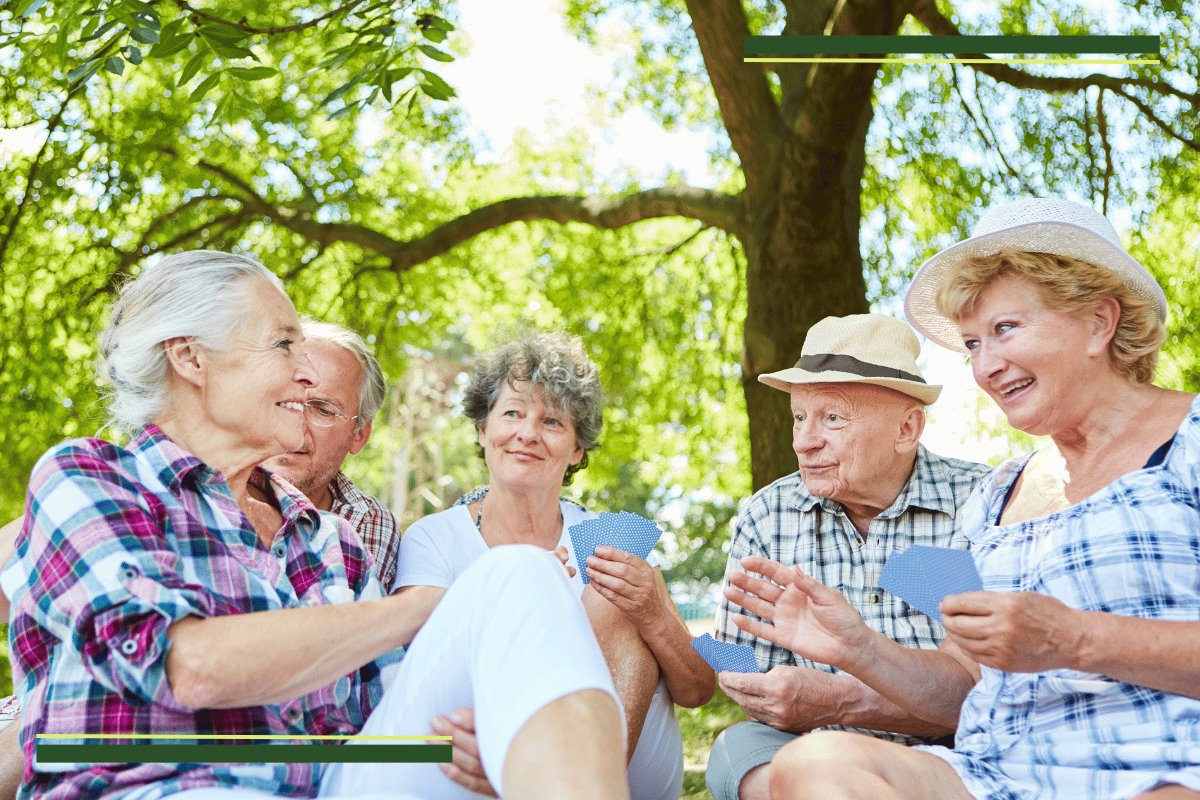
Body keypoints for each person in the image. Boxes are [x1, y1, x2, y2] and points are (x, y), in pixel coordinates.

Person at [3, 250, 631, 800]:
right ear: (189, 356)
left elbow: (378, 729)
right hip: (167, 784)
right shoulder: (91, 479)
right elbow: (187, 668)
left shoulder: (330, 541)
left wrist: (465, 751)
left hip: (332, 785)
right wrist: (428, 608)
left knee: (517, 569)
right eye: (283, 344)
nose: (306, 374)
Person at [732, 197, 1200, 800]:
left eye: (1005, 329)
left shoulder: (1188, 441)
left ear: (1099, 321)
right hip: (997, 777)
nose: (986, 366)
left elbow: (1069, 640)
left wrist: (1076, 639)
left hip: (1165, 770)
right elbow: (964, 684)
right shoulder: (997, 494)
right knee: (816, 763)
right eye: (973, 344)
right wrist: (860, 649)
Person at [0, 322, 401, 800]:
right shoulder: (112, 479)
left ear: (359, 435)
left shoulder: (345, 532)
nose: (301, 407)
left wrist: (443, 753)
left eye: (324, 409)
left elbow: (373, 715)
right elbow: (184, 665)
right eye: (293, 394)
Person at [393, 329, 715, 800]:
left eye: (552, 422)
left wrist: (654, 610)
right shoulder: (433, 539)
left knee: (612, 586)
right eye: (512, 413)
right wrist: (521, 588)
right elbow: (428, 673)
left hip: (623, 782)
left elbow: (699, 690)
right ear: (483, 431)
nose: (527, 433)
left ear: (577, 450)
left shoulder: (609, 537)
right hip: (493, 762)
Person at [706, 314, 991, 800]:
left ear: (906, 427)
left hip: (958, 746)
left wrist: (842, 702)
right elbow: (740, 664)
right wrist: (749, 680)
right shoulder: (768, 513)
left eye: (832, 418)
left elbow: (980, 697)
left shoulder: (982, 503)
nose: (803, 440)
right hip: (808, 745)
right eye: (799, 416)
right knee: (735, 750)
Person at [263, 320, 401, 588]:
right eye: (284, 401)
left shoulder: (370, 523)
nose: (295, 426)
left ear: (359, 435)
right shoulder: (200, 486)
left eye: (323, 410)